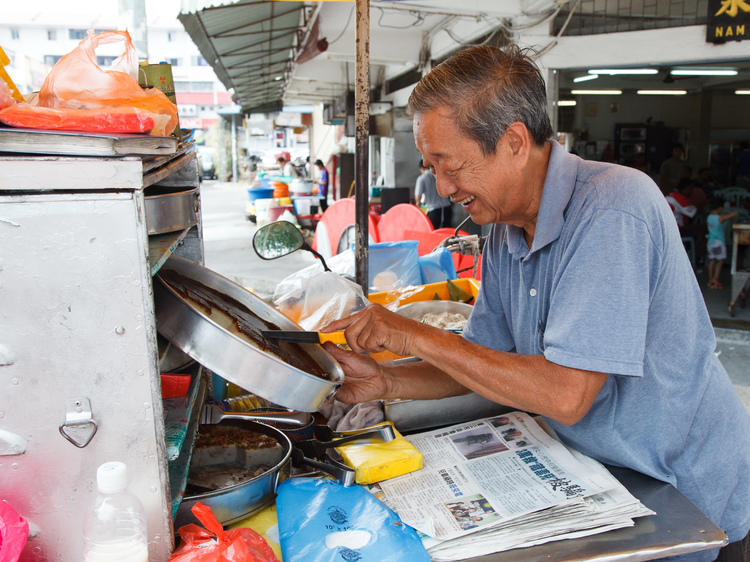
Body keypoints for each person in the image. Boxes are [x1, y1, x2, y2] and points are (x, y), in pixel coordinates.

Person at [321, 44, 750, 561]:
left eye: (450, 164)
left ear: (515, 141)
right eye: (432, 165)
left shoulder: (613, 208)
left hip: (682, 492)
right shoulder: (503, 230)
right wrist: (389, 381)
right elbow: (481, 360)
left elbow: (567, 394)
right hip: (602, 478)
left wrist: (411, 333)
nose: (442, 186)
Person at [706, 197, 739, 290]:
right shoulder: (719, 218)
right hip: (718, 243)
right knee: (720, 261)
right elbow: (730, 216)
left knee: (711, 261)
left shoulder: (709, 217)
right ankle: (715, 279)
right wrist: (735, 212)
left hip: (710, 243)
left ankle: (710, 280)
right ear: (719, 208)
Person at [415, 159, 452, 229]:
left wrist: (418, 207)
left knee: (433, 233)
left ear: (422, 168)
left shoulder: (422, 178)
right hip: (447, 209)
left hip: (434, 211)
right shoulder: (440, 175)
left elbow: (418, 198)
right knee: (446, 233)